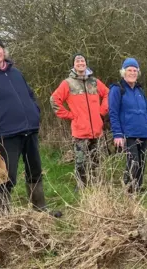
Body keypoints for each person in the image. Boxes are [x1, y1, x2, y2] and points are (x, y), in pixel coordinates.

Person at [0, 31, 61, 217]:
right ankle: (2, 217)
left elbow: (29, 95)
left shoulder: (16, 73)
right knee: (4, 177)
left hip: (29, 131)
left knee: (34, 171)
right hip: (4, 135)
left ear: (4, 50)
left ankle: (39, 209)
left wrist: (34, 113)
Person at [50, 53, 109, 189]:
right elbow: (54, 100)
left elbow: (108, 93)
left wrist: (102, 111)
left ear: (86, 64)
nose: (80, 63)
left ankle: (97, 185)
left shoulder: (94, 82)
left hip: (97, 130)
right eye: (78, 61)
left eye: (82, 60)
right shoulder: (68, 83)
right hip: (80, 130)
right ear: (74, 65)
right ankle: (81, 186)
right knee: (80, 162)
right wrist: (70, 115)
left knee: (96, 160)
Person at [108, 58, 147, 193]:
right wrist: (117, 133)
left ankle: (138, 187)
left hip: (143, 132)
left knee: (142, 161)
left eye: (135, 70)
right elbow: (113, 113)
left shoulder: (140, 90)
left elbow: (146, 111)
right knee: (133, 162)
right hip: (128, 133)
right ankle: (128, 188)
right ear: (123, 72)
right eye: (129, 70)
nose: (132, 73)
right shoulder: (117, 89)